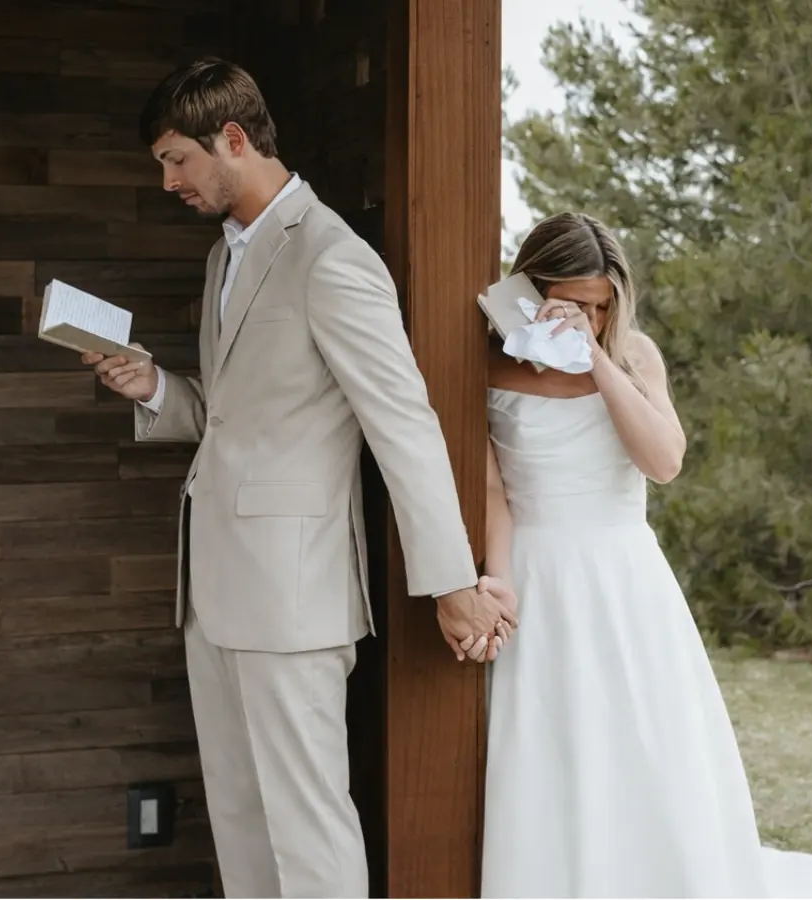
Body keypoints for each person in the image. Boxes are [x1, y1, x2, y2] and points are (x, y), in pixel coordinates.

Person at [82, 57, 516, 899]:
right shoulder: (225, 258)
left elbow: (403, 425)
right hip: (213, 592)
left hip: (291, 598)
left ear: (232, 138)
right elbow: (234, 416)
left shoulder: (331, 256)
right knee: (242, 822)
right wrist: (157, 388)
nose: (169, 182)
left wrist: (452, 584)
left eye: (177, 160)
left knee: (307, 832)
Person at [477, 212, 812, 899]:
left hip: (624, 577)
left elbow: (663, 462)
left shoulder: (634, 356)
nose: (590, 318)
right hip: (538, 573)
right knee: (550, 748)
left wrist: (594, 358)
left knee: (645, 747)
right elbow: (494, 492)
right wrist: (500, 582)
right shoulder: (489, 363)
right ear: (533, 290)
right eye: (574, 304)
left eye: (602, 306)